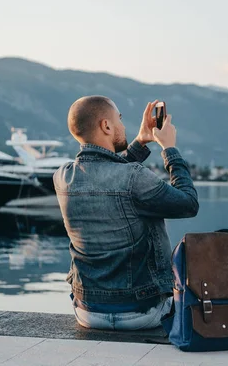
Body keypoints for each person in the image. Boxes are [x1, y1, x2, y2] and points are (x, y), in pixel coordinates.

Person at [54, 95, 199, 330]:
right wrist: (170, 148)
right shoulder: (134, 177)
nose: (123, 126)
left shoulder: (62, 177)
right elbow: (189, 203)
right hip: (142, 313)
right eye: (119, 119)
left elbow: (109, 175)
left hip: (87, 312)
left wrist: (141, 141)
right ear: (106, 126)